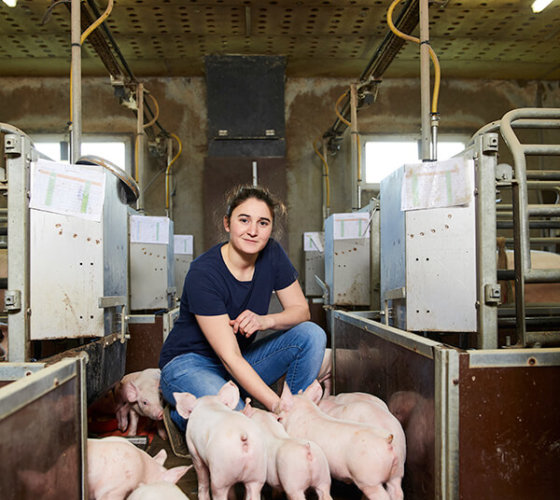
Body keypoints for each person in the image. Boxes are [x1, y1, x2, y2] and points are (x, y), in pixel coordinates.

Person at [159, 184, 327, 433]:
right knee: (238, 420)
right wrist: (277, 406)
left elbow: (301, 311)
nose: (252, 231)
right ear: (227, 223)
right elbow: (230, 358)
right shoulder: (203, 273)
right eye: (244, 220)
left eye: (263, 223)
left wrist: (264, 321)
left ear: (271, 228)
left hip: (239, 360)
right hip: (190, 364)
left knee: (312, 334)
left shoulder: (272, 254)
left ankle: (297, 419)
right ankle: (183, 415)